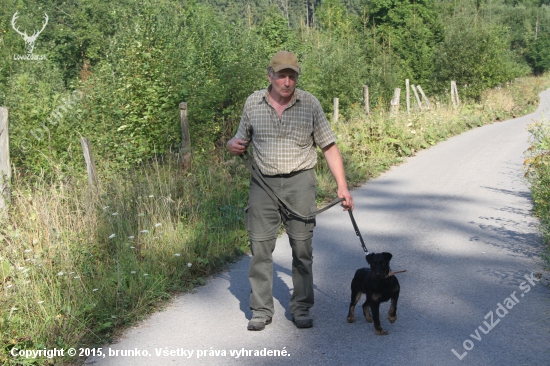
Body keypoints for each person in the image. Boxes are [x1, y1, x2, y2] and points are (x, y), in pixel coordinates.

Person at [227, 51, 353, 330]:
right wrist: (231, 144)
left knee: (302, 248)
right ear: (269, 75)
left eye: (292, 76)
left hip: (300, 182)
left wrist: (342, 187)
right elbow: (239, 139)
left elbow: (329, 146)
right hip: (263, 185)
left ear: (297, 77)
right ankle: (260, 309)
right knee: (260, 247)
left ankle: (302, 307)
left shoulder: (310, 104)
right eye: (281, 75)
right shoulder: (253, 103)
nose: (286, 81)